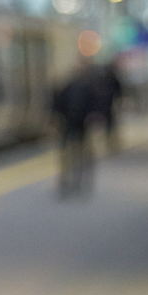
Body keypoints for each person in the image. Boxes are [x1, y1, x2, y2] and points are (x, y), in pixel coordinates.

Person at [51, 62, 99, 197]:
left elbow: (57, 105)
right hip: (73, 124)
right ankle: (72, 180)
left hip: (74, 125)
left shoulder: (70, 87)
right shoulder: (81, 88)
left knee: (74, 154)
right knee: (74, 154)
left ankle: (73, 180)